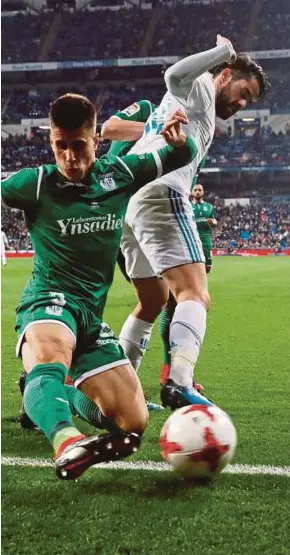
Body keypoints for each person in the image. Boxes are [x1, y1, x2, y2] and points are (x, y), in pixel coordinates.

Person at [1, 93, 198, 480]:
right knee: (51, 354)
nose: (70, 157)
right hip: (49, 301)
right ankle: (65, 439)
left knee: (133, 422)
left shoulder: (120, 174)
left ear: (96, 140)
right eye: (61, 146)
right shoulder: (36, 183)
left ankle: (47, 393)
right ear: (52, 142)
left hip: (91, 316)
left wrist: (180, 141)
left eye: (79, 146)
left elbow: (181, 155)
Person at [117, 36, 270, 411]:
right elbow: (174, 75)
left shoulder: (198, 106)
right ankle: (180, 381)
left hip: (134, 199)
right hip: (162, 193)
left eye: (249, 100)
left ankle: (121, 393)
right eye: (243, 92)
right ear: (227, 75)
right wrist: (221, 53)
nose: (241, 103)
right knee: (196, 294)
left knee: (152, 301)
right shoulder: (203, 86)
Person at [160, 182, 217, 385]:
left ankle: (172, 372)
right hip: (172, 248)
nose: (197, 191)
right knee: (171, 304)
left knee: (164, 305)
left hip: (176, 248)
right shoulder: (173, 198)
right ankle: (174, 374)